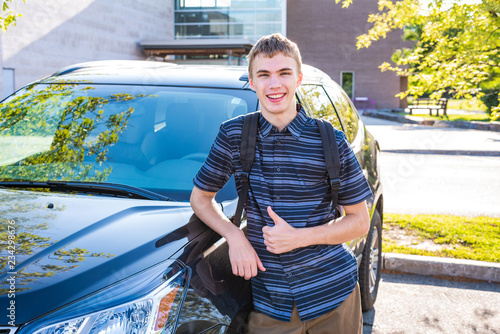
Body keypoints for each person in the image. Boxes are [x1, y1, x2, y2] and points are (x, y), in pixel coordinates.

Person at [190, 33, 372, 334]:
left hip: (334, 297)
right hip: (271, 306)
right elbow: (200, 198)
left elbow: (359, 221)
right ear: (252, 82)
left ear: (298, 79)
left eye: (284, 73)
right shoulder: (234, 135)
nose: (274, 84)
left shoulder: (330, 140)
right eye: (264, 75)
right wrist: (234, 236)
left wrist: (299, 237)